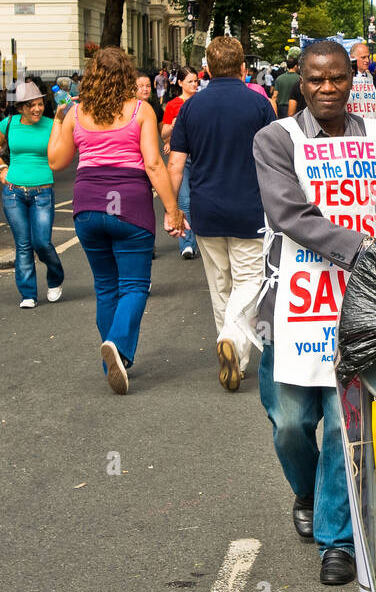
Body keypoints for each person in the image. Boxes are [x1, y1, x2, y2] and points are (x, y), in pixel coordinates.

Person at [253, 39, 376, 586]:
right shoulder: (275, 139)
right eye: (316, 80)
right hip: (293, 300)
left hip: (362, 302)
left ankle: (336, 539)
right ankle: (307, 490)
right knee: (291, 421)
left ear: (351, 79)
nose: (328, 88)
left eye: (337, 78)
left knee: (341, 422)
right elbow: (289, 212)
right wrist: (361, 251)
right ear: (302, 82)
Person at [47, 47, 185, 393]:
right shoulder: (141, 111)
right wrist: (172, 209)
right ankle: (118, 348)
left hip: (88, 205)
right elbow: (153, 164)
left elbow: (56, 161)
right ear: (127, 77)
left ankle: (115, 355)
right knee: (135, 285)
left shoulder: (76, 112)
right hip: (129, 205)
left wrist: (59, 120)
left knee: (106, 286)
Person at [167, 36, 275, 391]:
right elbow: (275, 160)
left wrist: (172, 210)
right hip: (250, 208)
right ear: (244, 67)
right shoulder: (259, 104)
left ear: (207, 69)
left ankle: (228, 345)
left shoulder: (190, 108)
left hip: (206, 209)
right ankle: (234, 344)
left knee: (219, 286)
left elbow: (176, 163)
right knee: (250, 283)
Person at [0, 80, 65, 308]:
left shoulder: (51, 124)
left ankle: (55, 278)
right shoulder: (8, 124)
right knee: (23, 244)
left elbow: (68, 146)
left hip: (43, 192)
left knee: (42, 242)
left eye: (39, 104)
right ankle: (28, 293)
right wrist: (2, 167)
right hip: (13, 193)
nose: (37, 109)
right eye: (31, 106)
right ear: (20, 107)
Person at [160, 66, 200, 259]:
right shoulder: (173, 105)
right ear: (181, 83)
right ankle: (187, 244)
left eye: (196, 81)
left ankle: (205, 238)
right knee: (185, 201)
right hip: (181, 159)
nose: (194, 85)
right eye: (190, 81)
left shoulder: (202, 102)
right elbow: (164, 133)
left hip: (201, 156)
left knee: (200, 200)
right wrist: (173, 127)